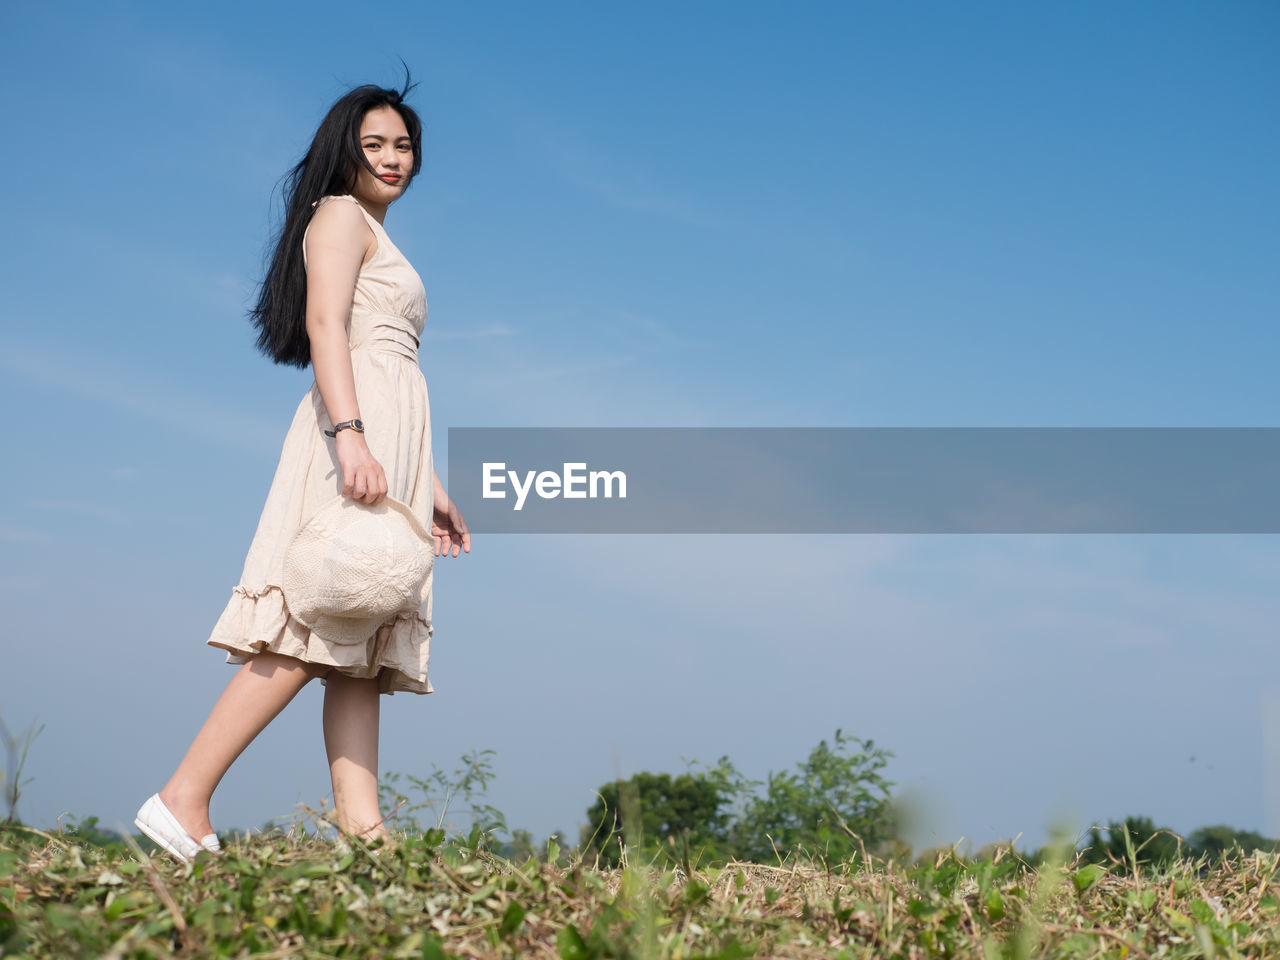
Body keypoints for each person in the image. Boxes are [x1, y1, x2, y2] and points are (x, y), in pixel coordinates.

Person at [133, 73, 469, 862]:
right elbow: (326, 326)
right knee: (317, 613)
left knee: (363, 637)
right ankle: (184, 796)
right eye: (375, 144)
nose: (393, 158)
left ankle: (365, 838)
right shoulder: (341, 216)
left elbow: (385, 363)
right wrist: (350, 434)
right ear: (344, 153)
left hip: (389, 441)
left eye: (404, 145)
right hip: (352, 431)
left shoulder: (373, 230)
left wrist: (431, 486)